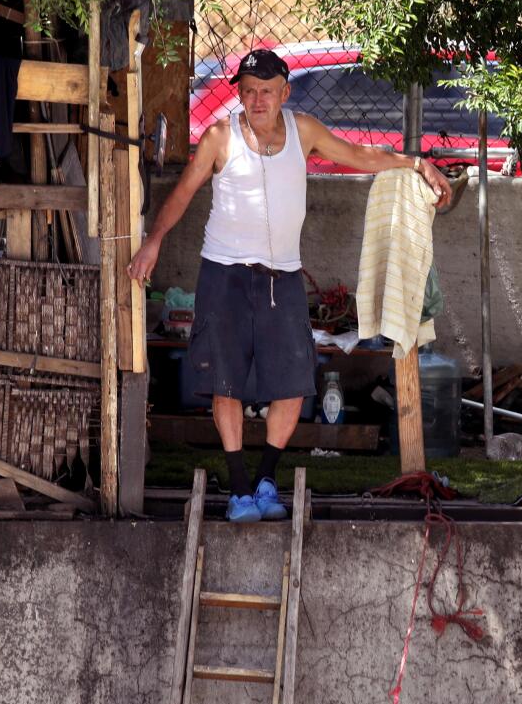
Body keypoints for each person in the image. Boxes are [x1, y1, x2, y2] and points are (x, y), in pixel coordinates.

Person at [128, 47, 453, 522]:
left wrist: (414, 163)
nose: (258, 100)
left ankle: (265, 480)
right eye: (249, 91)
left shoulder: (304, 130)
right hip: (225, 273)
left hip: (283, 276)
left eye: (267, 91)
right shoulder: (221, 136)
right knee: (227, 385)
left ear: (284, 92)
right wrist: (154, 241)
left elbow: (359, 155)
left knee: (293, 385)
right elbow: (183, 192)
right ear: (239, 93)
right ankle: (238, 487)